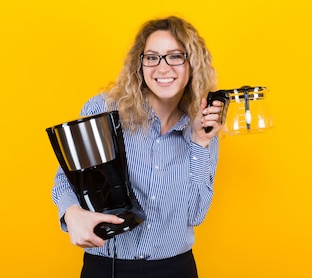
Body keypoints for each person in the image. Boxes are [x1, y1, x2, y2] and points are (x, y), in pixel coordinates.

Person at [51, 15, 223, 278]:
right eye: (152, 57)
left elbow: (195, 214)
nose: (162, 67)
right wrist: (72, 214)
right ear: (140, 64)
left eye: (175, 56)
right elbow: (67, 181)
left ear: (192, 65)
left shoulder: (202, 127)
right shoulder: (105, 110)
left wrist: (200, 143)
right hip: (107, 268)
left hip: (175, 269)